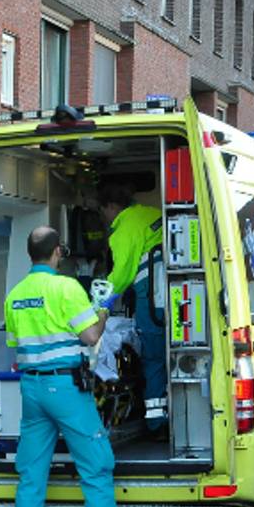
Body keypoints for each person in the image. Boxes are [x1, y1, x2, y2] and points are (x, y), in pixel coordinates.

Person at [4, 226, 146, 507]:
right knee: (97, 467)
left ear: (31, 253)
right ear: (57, 252)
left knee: (31, 475)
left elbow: (15, 343)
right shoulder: (66, 288)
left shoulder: (15, 295)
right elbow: (92, 336)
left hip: (31, 390)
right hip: (65, 389)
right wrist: (103, 308)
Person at [99, 181, 167, 433]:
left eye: (103, 211)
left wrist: (100, 304)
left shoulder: (124, 229)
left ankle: (157, 423)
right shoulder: (151, 214)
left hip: (152, 298)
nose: (104, 218)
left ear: (111, 206)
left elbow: (122, 275)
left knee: (153, 358)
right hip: (174, 297)